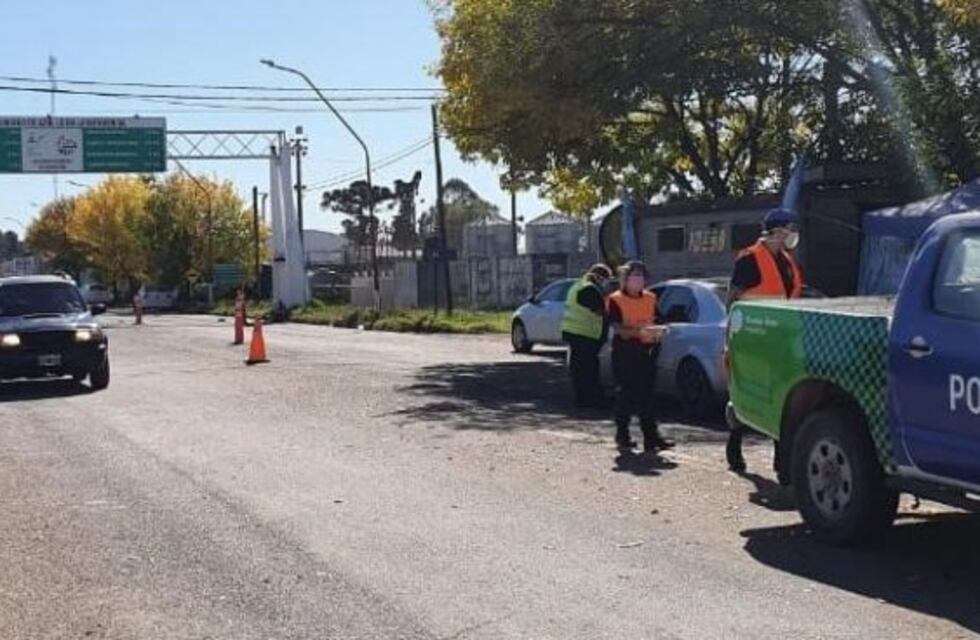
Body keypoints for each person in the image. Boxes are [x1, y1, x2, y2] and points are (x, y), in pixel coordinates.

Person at [726, 208, 805, 472]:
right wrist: (730, 337)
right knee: (750, 394)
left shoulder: (788, 262)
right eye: (789, 229)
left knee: (782, 399)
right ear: (775, 231)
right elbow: (733, 299)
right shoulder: (749, 259)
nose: (792, 234)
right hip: (753, 338)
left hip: (781, 338)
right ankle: (735, 441)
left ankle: (782, 464)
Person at [607, 261, 674, 452]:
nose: (638, 280)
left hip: (647, 351)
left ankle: (651, 437)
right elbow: (618, 327)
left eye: (641, 276)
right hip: (626, 352)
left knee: (648, 396)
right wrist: (639, 331)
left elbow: (661, 320)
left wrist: (661, 330)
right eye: (634, 276)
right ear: (625, 279)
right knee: (626, 395)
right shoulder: (616, 299)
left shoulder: (651, 298)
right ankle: (623, 434)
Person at [561, 263, 613, 409]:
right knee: (587, 369)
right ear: (599, 277)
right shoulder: (589, 289)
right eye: (606, 279)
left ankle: (582, 398)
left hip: (576, 333)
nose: (606, 282)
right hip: (585, 335)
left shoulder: (579, 285)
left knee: (579, 369)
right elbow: (599, 311)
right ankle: (588, 399)